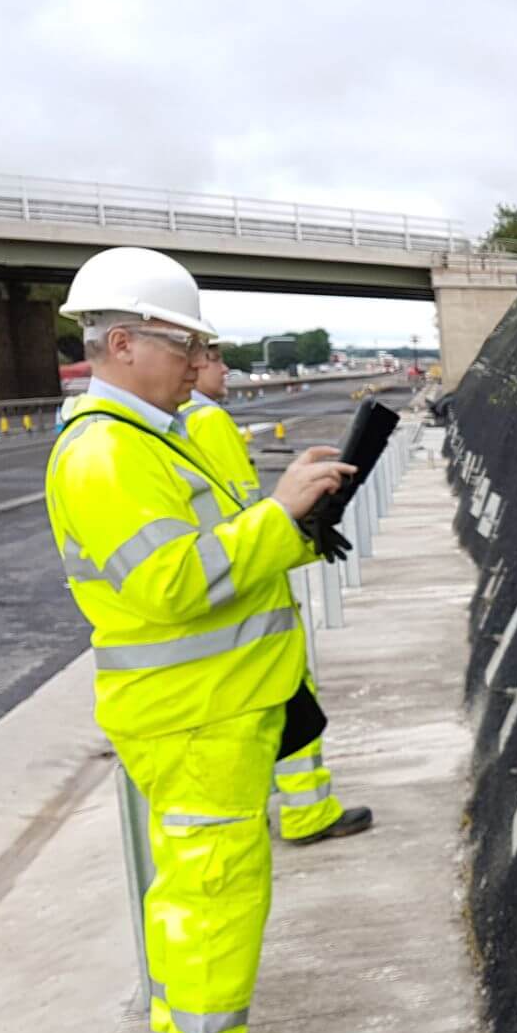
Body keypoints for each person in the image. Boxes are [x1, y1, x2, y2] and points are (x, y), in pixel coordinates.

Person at [45, 247, 354, 1033]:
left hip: (218, 705)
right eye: (184, 343)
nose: (197, 360)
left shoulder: (152, 437)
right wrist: (276, 512)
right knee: (210, 889)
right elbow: (176, 583)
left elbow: (227, 559)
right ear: (125, 342)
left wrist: (299, 526)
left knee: (211, 888)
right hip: (193, 714)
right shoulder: (106, 454)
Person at [185, 345, 374, 846]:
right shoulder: (206, 421)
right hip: (252, 611)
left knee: (283, 716)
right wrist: (297, 525)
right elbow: (242, 518)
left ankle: (299, 810)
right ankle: (307, 812)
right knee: (291, 712)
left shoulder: (178, 423)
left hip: (233, 610)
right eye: (212, 357)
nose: (224, 368)